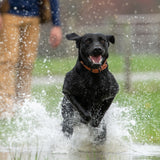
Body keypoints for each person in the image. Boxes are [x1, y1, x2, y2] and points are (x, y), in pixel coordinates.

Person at [0, 0, 62, 118]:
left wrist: (56, 24)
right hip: (8, 13)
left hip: (34, 15)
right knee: (7, 61)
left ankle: (23, 105)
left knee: (27, 63)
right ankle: (5, 108)